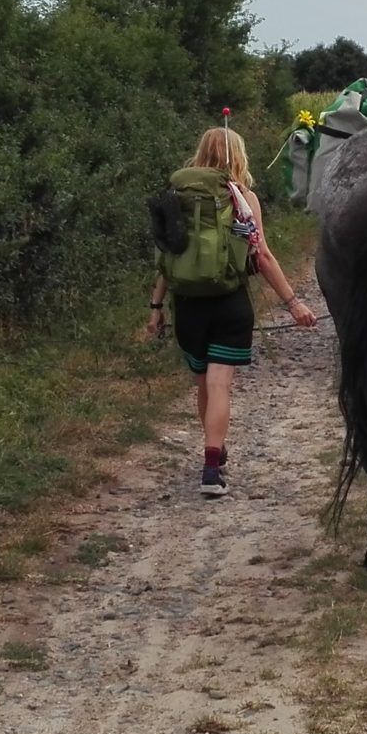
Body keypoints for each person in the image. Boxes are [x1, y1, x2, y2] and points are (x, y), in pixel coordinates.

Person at [141, 126, 317, 497]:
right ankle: (211, 468)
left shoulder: (178, 197)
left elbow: (167, 258)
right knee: (221, 384)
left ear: (200, 154)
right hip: (229, 304)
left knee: (204, 384)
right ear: (237, 156)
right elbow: (262, 255)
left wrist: (155, 308)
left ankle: (213, 451)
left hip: (187, 305)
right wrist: (293, 302)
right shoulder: (242, 197)